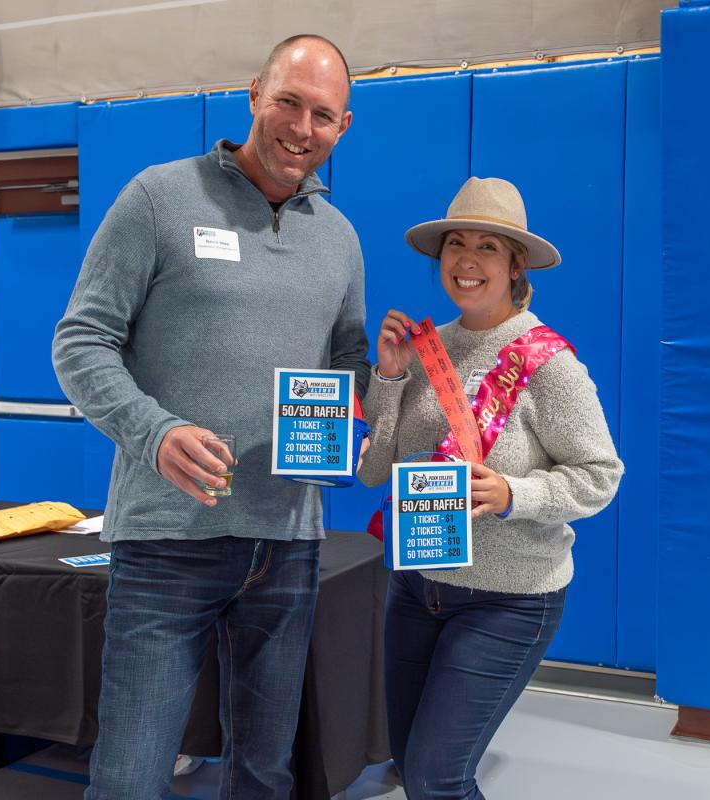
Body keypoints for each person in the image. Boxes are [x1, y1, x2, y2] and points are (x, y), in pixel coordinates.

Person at [52, 34, 368, 800]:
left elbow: (346, 366)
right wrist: (154, 432)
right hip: (167, 540)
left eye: (322, 114)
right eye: (288, 101)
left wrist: (367, 383)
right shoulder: (160, 197)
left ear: (343, 127)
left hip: (287, 543)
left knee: (265, 771)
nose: (301, 127)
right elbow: (80, 340)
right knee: (130, 774)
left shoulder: (340, 238)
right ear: (254, 91)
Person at [357, 176, 623, 800]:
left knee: (435, 778)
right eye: (455, 244)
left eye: (487, 247)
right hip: (416, 585)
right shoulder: (424, 350)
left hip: (510, 600)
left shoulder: (550, 364)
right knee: (405, 758)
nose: (467, 260)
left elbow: (600, 475)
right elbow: (374, 473)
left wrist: (512, 494)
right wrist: (389, 380)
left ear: (514, 265)